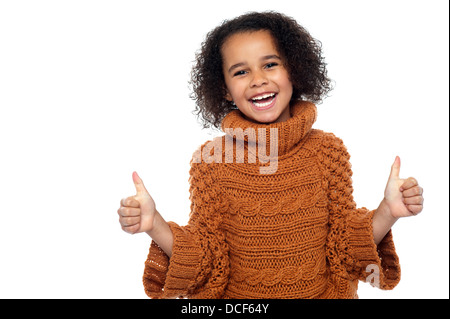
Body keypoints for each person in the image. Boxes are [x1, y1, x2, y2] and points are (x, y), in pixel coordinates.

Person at [117, 11, 424, 299]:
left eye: (270, 64)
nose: (257, 79)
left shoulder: (328, 151)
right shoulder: (211, 161)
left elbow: (344, 247)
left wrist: (388, 211)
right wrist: (154, 225)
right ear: (224, 89)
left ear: (295, 69)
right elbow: (207, 259)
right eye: (240, 71)